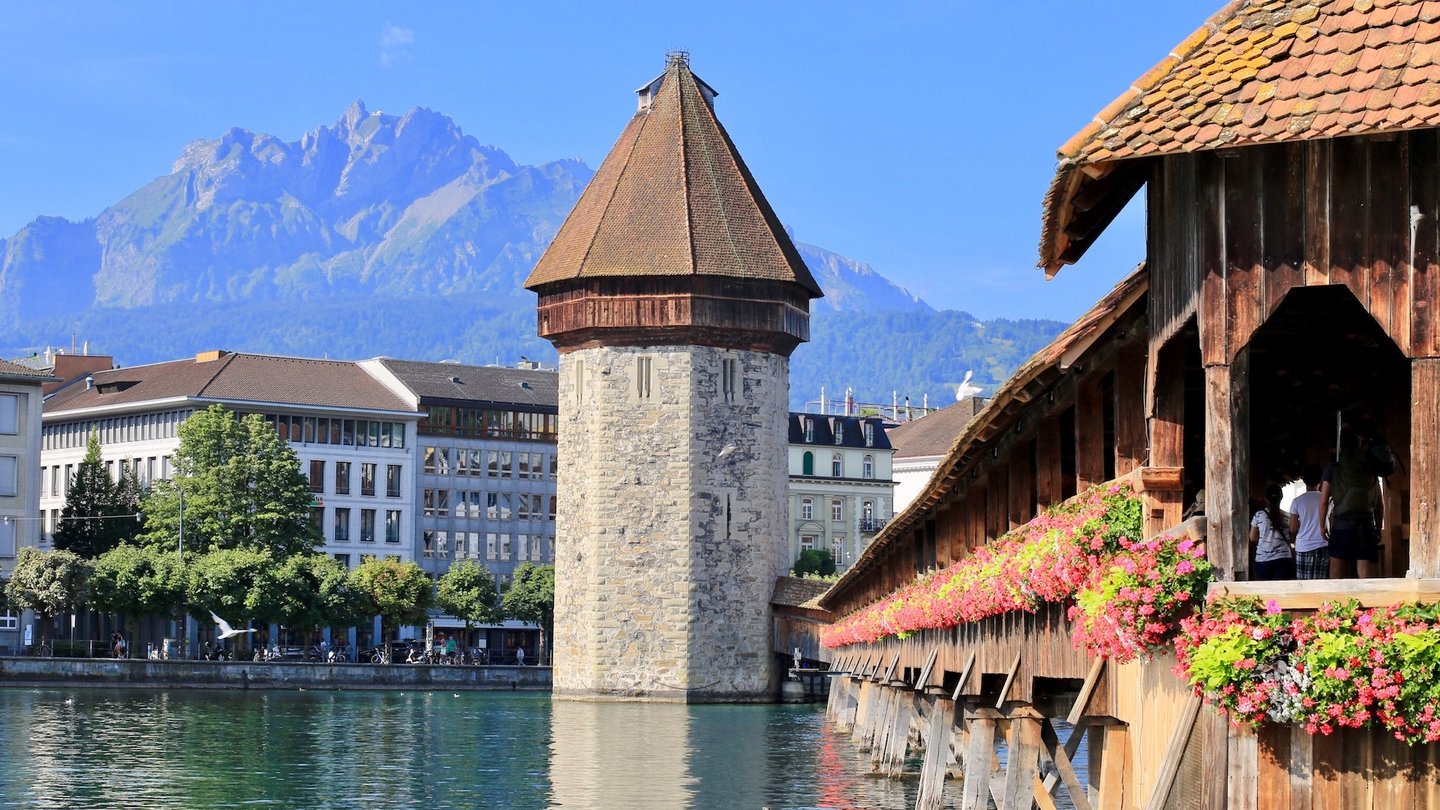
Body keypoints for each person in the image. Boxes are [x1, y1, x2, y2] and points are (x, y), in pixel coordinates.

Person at [1321, 432, 1384, 578]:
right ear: (1359, 446)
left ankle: (1334, 601)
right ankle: (1367, 600)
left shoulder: (1333, 469)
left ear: (1340, 448)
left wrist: (1322, 525)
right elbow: (1379, 503)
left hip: (1342, 524)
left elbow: (1324, 501)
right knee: (1364, 570)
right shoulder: (1370, 468)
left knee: (1336, 570)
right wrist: (1379, 527)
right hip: (1366, 523)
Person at [1290, 466, 1328, 579]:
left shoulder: (1297, 501)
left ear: (1304, 480)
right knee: (1320, 584)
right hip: (1323, 545)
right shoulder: (1326, 500)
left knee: (1303, 585)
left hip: (1303, 547)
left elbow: (1292, 528)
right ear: (1320, 481)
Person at [1249, 484, 1293, 580]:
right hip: (1283, 558)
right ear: (1281, 497)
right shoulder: (1288, 517)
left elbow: (1252, 538)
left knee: (1264, 592)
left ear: (1266, 498)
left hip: (1263, 559)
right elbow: (1292, 537)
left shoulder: (1259, 515)